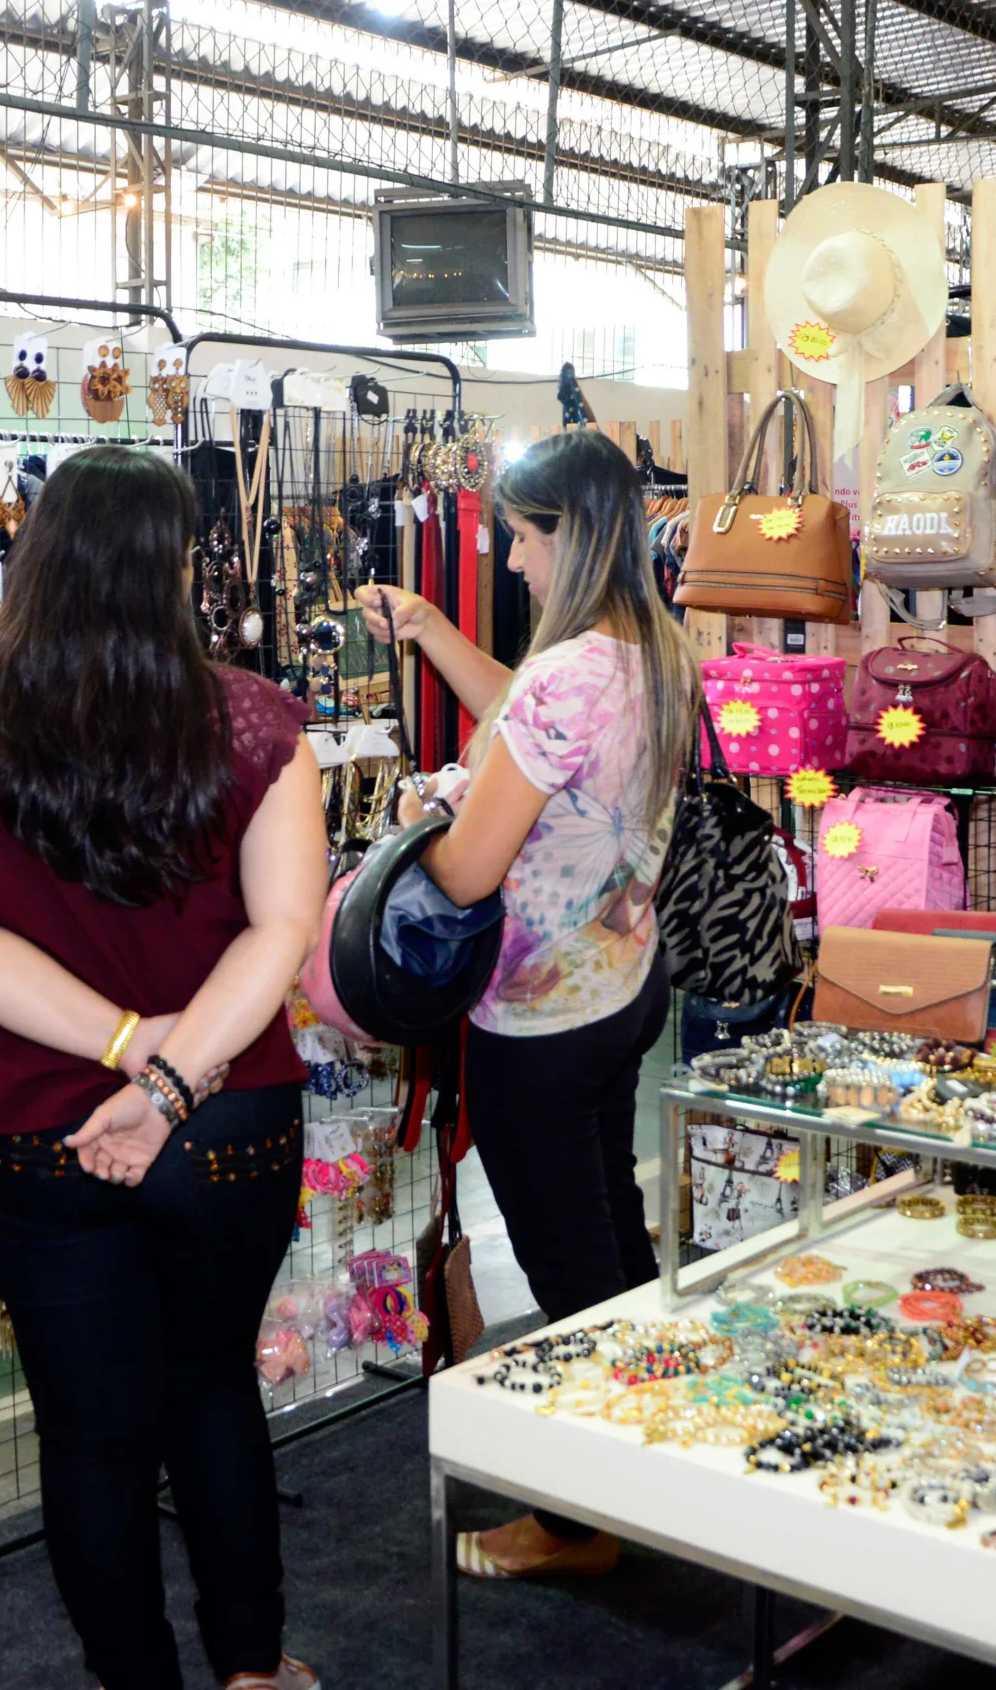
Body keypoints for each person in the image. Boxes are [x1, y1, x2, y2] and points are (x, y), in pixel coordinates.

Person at [0, 447, 328, 1690]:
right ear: (173, 567)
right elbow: (281, 931)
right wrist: (171, 1078)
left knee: (90, 1440)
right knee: (210, 1394)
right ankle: (252, 1670)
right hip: (227, 1118)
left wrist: (129, 1062)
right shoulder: (252, 718)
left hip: (41, 1125)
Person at [361, 429, 697, 1580]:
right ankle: (656, 1470)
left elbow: (466, 870)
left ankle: (579, 1518)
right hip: (619, 992)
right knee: (610, 1236)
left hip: (539, 1022)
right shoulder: (649, 651)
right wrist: (429, 630)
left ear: (572, 535)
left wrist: (421, 816)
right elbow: (527, 715)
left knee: (569, 1272)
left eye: (520, 535)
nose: (507, 559)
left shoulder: (573, 674)